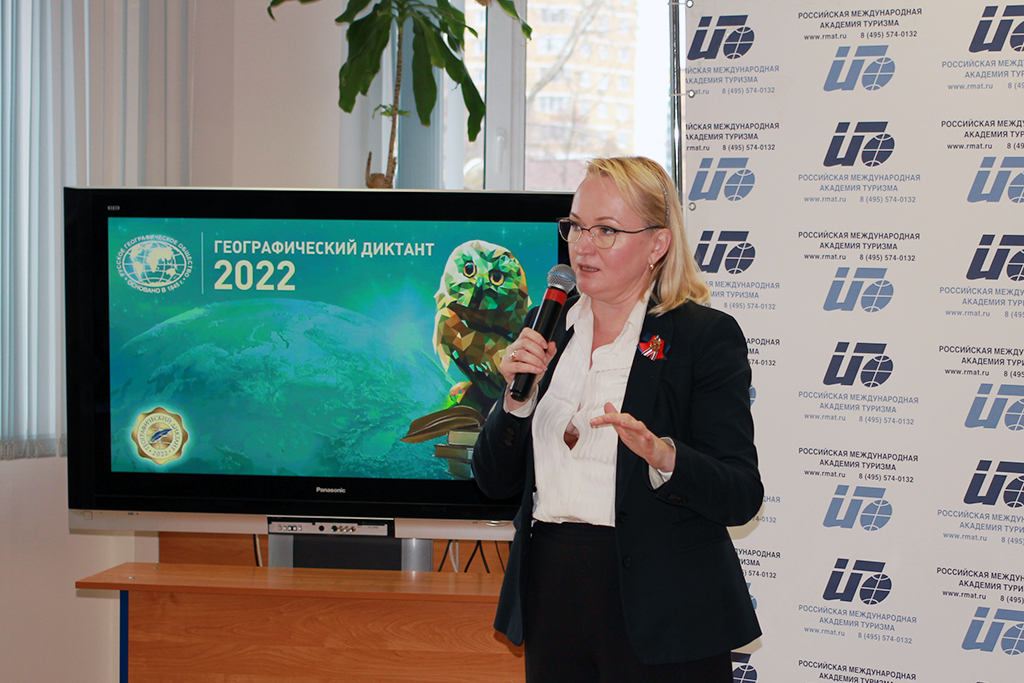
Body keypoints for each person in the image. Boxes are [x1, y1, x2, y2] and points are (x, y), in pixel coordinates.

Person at [471, 156, 762, 682]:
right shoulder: (546, 329)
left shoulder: (702, 338)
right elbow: (494, 481)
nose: (583, 247)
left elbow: (741, 495)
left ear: (657, 244)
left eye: (606, 230)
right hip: (552, 590)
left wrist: (664, 457)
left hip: (663, 607)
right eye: (576, 226)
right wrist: (515, 404)